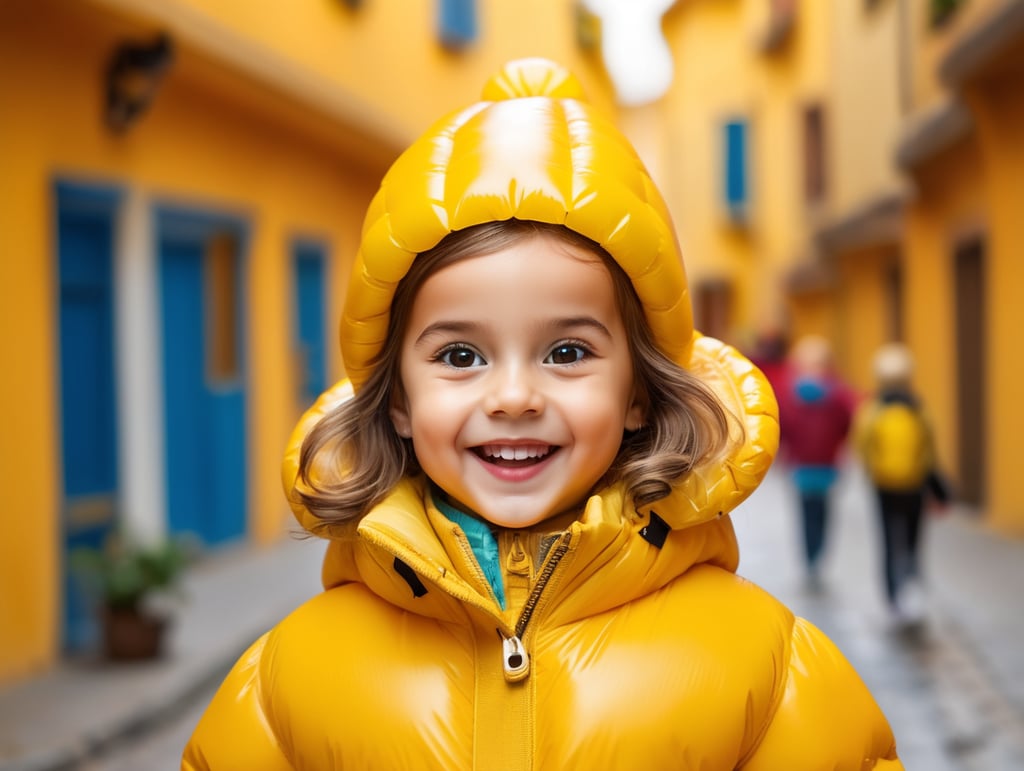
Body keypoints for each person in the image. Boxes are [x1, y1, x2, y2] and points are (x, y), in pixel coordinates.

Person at [182, 58, 902, 769]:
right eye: (461, 356)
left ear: (639, 393)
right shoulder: (288, 683)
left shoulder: (768, 668)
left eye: (566, 350)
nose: (515, 396)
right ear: (398, 400)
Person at [855, 342, 949, 627]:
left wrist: (872, 472)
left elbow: (862, 445)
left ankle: (892, 598)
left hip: (883, 486)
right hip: (914, 485)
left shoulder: (872, 409)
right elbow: (930, 449)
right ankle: (912, 589)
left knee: (886, 539)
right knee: (912, 538)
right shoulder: (918, 409)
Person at [775, 334, 858, 589]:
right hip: (824, 464)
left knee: (807, 514)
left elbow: (782, 426)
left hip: (802, 465)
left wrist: (782, 453)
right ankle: (816, 558)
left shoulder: (790, 393)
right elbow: (848, 422)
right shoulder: (838, 393)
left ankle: (811, 560)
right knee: (822, 514)